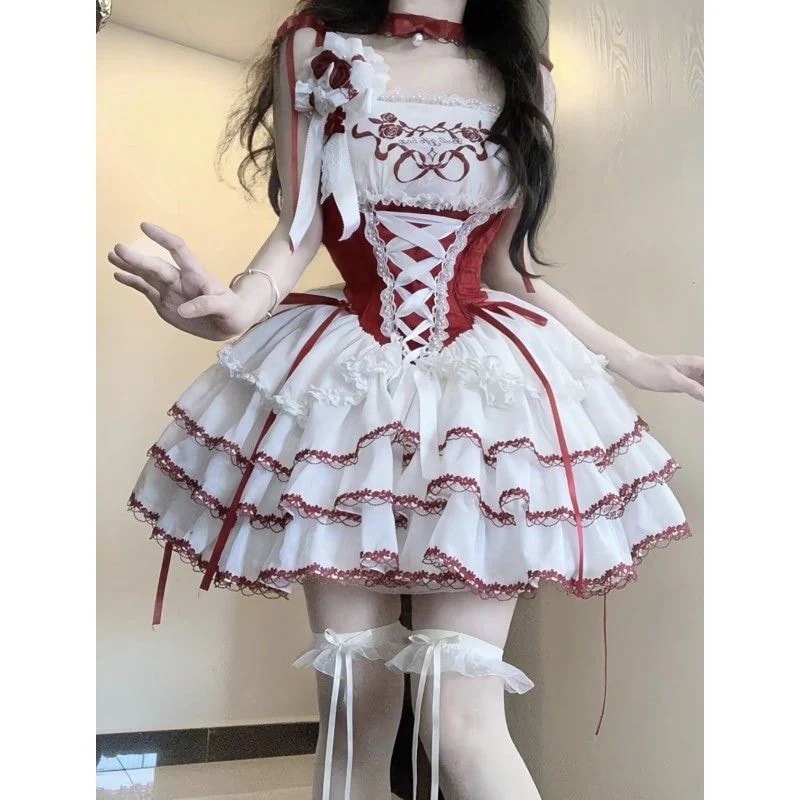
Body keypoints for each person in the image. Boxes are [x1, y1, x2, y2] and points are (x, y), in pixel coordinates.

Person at [107, 1, 703, 798]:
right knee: (353, 703)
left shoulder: (525, 75)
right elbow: (300, 228)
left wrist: (631, 359)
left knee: (463, 721)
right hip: (347, 396)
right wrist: (238, 307)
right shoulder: (315, 46)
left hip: (479, 405)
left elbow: (509, 270)